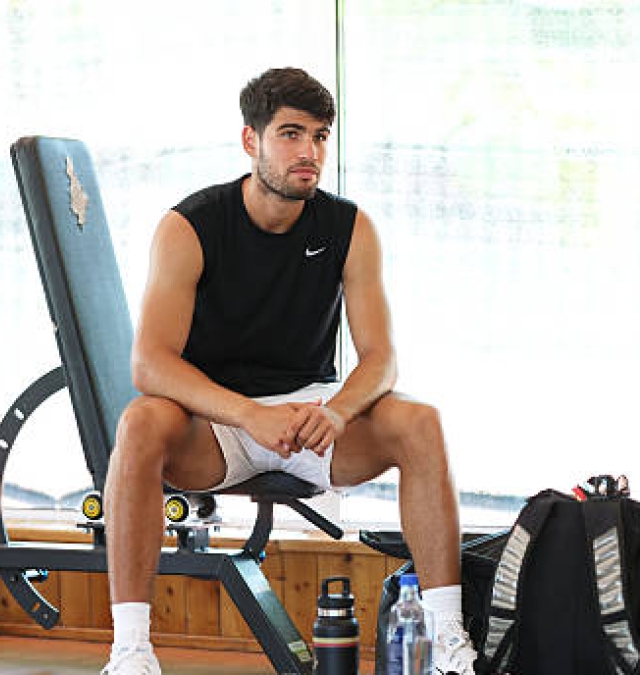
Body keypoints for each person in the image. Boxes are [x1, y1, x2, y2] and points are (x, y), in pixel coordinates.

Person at [99, 67, 477, 675]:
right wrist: (250, 413)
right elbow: (150, 363)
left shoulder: (350, 228)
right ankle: (131, 652)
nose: (310, 152)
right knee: (141, 422)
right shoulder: (190, 226)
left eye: (321, 136)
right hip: (217, 421)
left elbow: (381, 358)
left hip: (311, 417)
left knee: (421, 421)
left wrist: (338, 411)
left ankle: (447, 646)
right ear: (251, 141)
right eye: (291, 134)